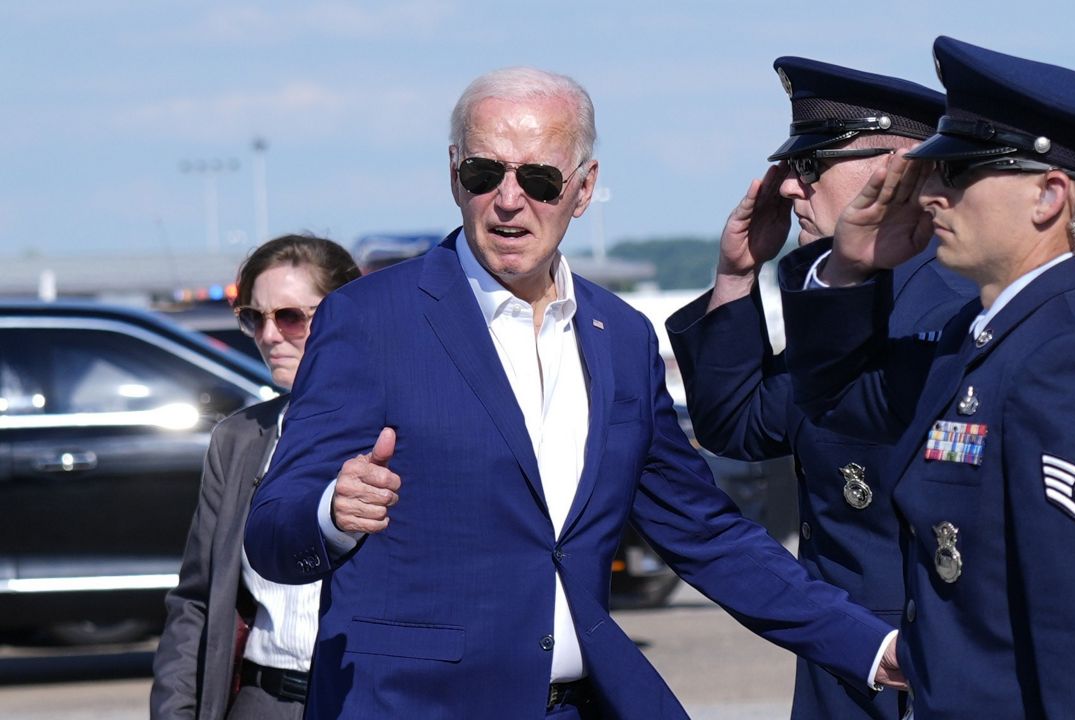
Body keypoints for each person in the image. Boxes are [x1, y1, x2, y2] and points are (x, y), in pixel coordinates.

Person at [242, 67, 902, 720]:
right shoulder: (369, 320)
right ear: (453, 176)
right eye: (483, 173)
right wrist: (332, 511)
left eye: (538, 179)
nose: (508, 199)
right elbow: (272, 532)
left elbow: (707, 533)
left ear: (583, 189)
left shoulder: (621, 337)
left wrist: (873, 649)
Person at [779, 36, 1075, 718]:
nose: (930, 194)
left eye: (958, 172)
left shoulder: (1068, 358)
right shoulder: (985, 335)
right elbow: (837, 406)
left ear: (1048, 197)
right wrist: (851, 267)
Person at [664, 57, 971, 720]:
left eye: (813, 168)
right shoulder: (836, 302)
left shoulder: (952, 308)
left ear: (903, 165)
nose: (794, 192)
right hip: (844, 675)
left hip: (925, 680)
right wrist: (736, 274)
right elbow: (740, 425)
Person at [151, 235, 362, 719]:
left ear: (344, 315)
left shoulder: (403, 433)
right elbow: (196, 601)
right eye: (254, 317)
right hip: (261, 701)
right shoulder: (240, 438)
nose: (269, 336)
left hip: (359, 699)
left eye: (289, 316)